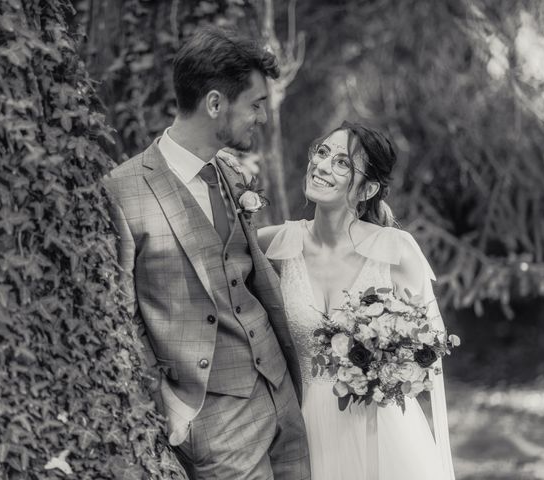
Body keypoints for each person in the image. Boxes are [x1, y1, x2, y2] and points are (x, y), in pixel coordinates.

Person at [102, 26, 310, 480]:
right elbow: (118, 318)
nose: (261, 117)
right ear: (215, 103)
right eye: (255, 104)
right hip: (211, 419)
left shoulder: (230, 173)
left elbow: (245, 269)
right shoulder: (124, 191)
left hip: (280, 393)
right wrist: (168, 405)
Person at [258, 122, 456, 479]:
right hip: (302, 428)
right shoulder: (276, 244)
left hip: (380, 433)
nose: (321, 166)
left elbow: (429, 352)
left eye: (342, 163)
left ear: (367, 189)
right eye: (322, 152)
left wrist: (390, 367)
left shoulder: (396, 251)